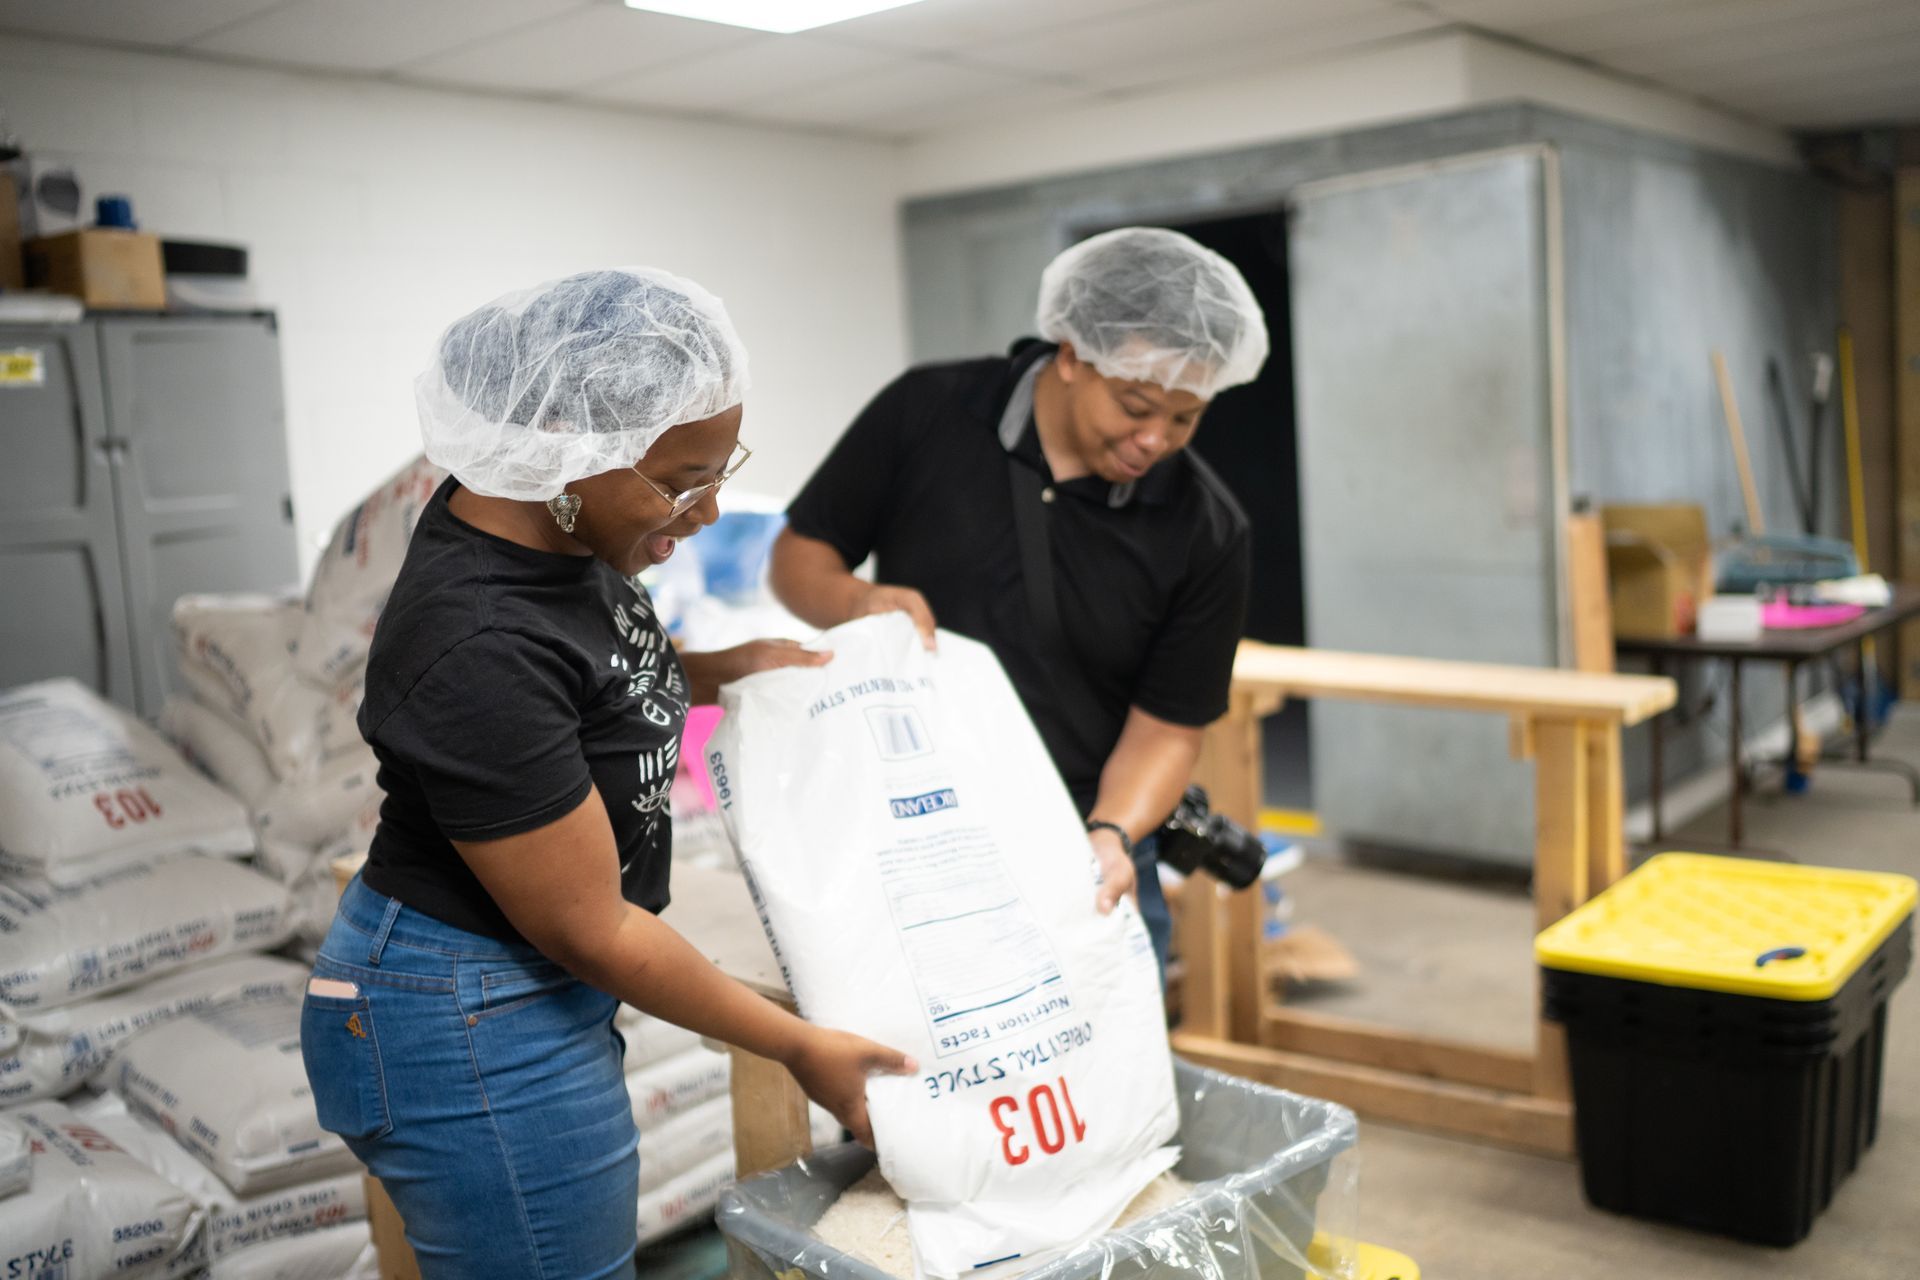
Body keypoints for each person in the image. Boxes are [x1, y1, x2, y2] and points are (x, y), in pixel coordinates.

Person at [300, 269, 913, 1279]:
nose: (710, 510)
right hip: (468, 1009)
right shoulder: (474, 639)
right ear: (562, 455)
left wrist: (721, 667)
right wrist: (800, 1045)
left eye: (720, 468)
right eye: (680, 480)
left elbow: (589, 670)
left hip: (516, 985)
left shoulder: (545, 528)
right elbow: (594, 924)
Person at [770, 227, 1268, 977]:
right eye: (1135, 405)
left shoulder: (1206, 527)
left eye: (1185, 417)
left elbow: (1167, 729)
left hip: (1080, 842)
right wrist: (858, 600)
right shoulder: (929, 411)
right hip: (913, 827)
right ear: (1072, 355)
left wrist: (1111, 833)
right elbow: (799, 559)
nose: (1153, 439)